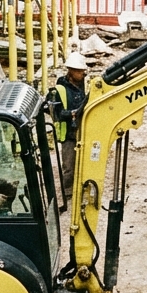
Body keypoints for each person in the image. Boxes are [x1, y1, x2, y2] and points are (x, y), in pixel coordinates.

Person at [51, 53, 90, 203]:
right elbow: (57, 113)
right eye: (80, 72)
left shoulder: (82, 84)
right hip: (68, 133)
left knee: (84, 163)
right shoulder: (60, 89)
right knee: (69, 166)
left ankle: (81, 188)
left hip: (82, 130)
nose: (83, 74)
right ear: (71, 71)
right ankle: (67, 193)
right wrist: (73, 113)